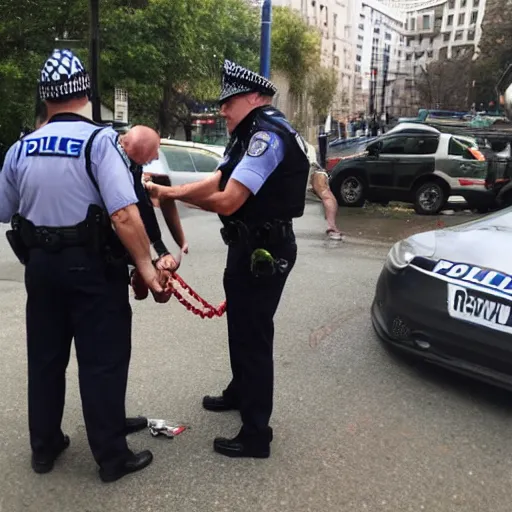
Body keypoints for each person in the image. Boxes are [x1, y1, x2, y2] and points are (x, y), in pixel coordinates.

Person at [0, 48, 168, 482]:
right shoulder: (100, 142)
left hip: (40, 268)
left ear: (45, 98)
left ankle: (45, 446)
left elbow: (5, 209)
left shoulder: (21, 147)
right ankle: (112, 457)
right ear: (85, 93)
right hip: (92, 269)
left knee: (46, 359)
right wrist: (147, 268)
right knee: (103, 360)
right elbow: (124, 214)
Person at [144, 59, 310, 458]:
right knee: (240, 325)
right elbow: (216, 180)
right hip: (248, 246)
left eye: (228, 102)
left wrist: (169, 195)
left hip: (264, 250)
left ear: (253, 98)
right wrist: (171, 193)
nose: (222, 110)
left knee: (253, 336)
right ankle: (240, 392)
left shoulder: (266, 137)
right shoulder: (247, 131)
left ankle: (256, 434)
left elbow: (228, 200)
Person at [306, 144, 343, 241]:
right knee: (328, 197)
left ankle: (331, 228)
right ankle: (331, 227)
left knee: (327, 196)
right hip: (312, 165)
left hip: (311, 165)